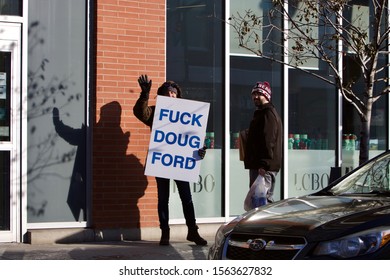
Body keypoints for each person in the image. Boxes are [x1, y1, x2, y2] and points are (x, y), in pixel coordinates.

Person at [133, 74, 207, 246]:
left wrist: (200, 150)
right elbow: (140, 113)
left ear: (178, 95)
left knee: (187, 198)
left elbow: (193, 136)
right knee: (163, 198)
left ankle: (192, 232)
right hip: (162, 162)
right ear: (162, 95)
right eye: (168, 93)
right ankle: (164, 233)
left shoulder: (186, 113)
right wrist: (144, 94)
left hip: (181, 161)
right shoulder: (156, 111)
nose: (171, 95)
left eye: (174, 93)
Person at [244, 81, 282, 203]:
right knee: (257, 201)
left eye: (258, 94)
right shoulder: (262, 113)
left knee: (263, 201)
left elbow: (268, 139)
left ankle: (268, 222)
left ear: (266, 95)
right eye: (253, 94)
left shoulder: (268, 114)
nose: (255, 97)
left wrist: (263, 165)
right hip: (260, 165)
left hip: (264, 167)